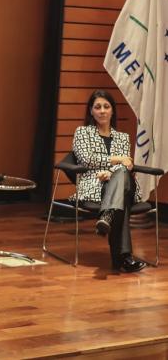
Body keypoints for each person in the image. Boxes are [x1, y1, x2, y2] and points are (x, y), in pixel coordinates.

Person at [71, 89, 146, 273]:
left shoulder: (122, 137)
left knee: (121, 177)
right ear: (91, 111)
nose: (102, 111)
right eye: (97, 107)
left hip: (118, 182)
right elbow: (86, 158)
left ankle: (106, 216)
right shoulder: (82, 132)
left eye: (106, 106)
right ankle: (124, 258)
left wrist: (110, 172)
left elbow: (127, 165)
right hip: (95, 184)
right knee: (121, 200)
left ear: (112, 111)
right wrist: (117, 161)